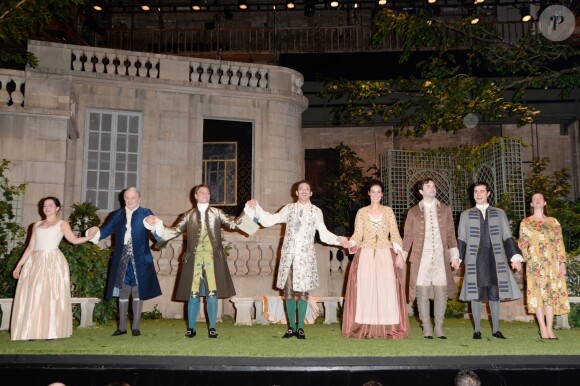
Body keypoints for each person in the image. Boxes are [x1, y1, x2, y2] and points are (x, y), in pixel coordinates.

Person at [146, 184, 256, 339]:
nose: (206, 194)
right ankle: (191, 328)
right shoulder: (188, 215)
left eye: (208, 192)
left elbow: (233, 224)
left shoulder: (217, 213)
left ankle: (212, 328)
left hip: (213, 260)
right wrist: (157, 225)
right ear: (196, 196)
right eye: (202, 192)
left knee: (212, 295)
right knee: (193, 295)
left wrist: (249, 211)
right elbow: (174, 231)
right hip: (194, 260)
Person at [246, 180, 348, 339]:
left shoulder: (316, 211)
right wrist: (256, 207)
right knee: (288, 293)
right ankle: (291, 328)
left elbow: (324, 233)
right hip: (289, 257)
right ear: (296, 193)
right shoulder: (289, 209)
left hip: (306, 258)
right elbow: (270, 220)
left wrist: (340, 240)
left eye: (307, 189)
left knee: (303, 293)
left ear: (311, 193)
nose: (304, 191)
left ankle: (300, 327)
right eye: (301, 189)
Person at [11, 197, 95, 341]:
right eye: (44, 205)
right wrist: (19, 265)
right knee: (34, 295)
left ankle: (51, 331)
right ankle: (32, 331)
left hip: (53, 262)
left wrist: (88, 237)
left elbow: (73, 240)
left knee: (51, 295)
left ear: (57, 208)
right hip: (35, 262)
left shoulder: (62, 224)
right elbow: (31, 247)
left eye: (50, 205)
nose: (47, 208)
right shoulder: (36, 225)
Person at [87, 187, 161, 337]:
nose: (130, 200)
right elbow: (104, 231)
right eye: (127, 198)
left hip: (140, 258)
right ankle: (121, 327)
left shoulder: (146, 213)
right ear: (123, 199)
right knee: (123, 290)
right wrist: (94, 232)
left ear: (139, 199)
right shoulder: (116, 215)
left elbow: (157, 231)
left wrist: (155, 224)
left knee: (137, 291)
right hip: (122, 258)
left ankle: (136, 327)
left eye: (133, 198)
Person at [452, 181, 523, 339]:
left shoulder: (499, 213)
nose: (478, 194)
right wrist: (458, 258)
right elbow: (462, 239)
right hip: (474, 259)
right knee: (475, 293)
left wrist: (515, 257)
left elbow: (507, 237)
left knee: (494, 293)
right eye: (476, 191)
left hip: (495, 259)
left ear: (488, 193)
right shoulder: (465, 215)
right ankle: (477, 330)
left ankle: (496, 330)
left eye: (482, 191)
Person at [341, 179, 409, 339]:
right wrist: (349, 242)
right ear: (369, 194)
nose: (376, 195)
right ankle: (365, 327)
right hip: (365, 254)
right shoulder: (362, 212)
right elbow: (358, 234)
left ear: (382, 194)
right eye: (373, 192)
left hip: (385, 253)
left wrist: (399, 254)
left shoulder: (388, 211)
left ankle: (388, 328)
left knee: (387, 291)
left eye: (379, 192)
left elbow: (395, 234)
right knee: (366, 290)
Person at [403, 178, 459, 339]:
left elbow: (450, 235)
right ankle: (426, 327)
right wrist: (402, 256)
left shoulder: (445, 209)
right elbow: (407, 237)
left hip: (440, 257)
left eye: (433, 185)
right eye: (428, 186)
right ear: (421, 191)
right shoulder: (413, 212)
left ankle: (439, 327)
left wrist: (454, 256)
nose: (432, 188)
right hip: (421, 257)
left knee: (441, 291)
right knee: (422, 292)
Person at [518, 192, 570, 340]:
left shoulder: (554, 222)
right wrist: (524, 260)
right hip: (535, 264)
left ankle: (549, 328)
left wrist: (562, 262)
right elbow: (522, 244)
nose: (538, 200)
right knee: (538, 295)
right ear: (532, 204)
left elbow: (559, 242)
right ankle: (542, 327)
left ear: (545, 202)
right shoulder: (526, 222)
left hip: (552, 264)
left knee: (551, 295)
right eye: (535, 199)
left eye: (540, 198)